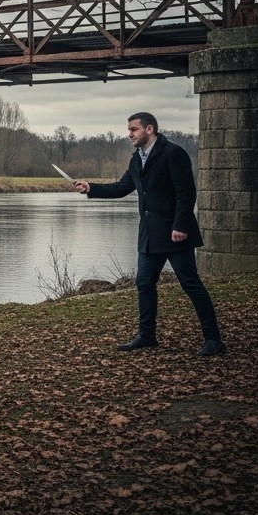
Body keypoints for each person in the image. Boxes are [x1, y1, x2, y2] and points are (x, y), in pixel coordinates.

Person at [73, 112, 227, 357]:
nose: (130, 134)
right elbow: (122, 188)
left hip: (175, 233)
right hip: (149, 235)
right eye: (129, 130)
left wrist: (180, 226)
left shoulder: (173, 153)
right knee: (144, 283)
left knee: (191, 284)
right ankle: (147, 336)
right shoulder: (136, 160)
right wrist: (91, 187)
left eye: (134, 129)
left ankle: (213, 339)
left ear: (150, 129)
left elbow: (186, 193)